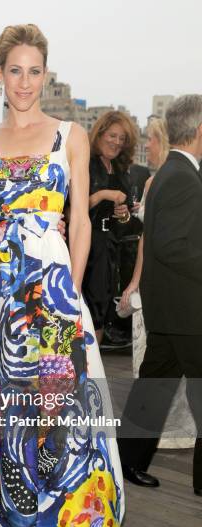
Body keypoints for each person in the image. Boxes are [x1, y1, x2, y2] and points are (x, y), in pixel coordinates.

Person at [0, 24, 124, 527]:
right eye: (14, 71)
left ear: (44, 75)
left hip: (50, 299)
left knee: (59, 416)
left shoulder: (70, 135)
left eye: (34, 71)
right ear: (0, 76)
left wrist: (68, 295)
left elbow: (78, 222)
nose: (24, 82)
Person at [118, 95, 202, 496]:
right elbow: (171, 246)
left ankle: (128, 462)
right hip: (187, 309)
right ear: (199, 130)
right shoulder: (184, 176)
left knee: (152, 390)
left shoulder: (170, 171)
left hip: (170, 309)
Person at [82, 111, 139, 345]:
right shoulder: (85, 162)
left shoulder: (120, 170)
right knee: (86, 307)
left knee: (102, 309)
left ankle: (92, 366)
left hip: (109, 248)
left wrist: (123, 215)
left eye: (122, 138)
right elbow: (71, 206)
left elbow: (125, 226)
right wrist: (103, 194)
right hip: (86, 245)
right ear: (100, 134)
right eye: (112, 135)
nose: (116, 142)